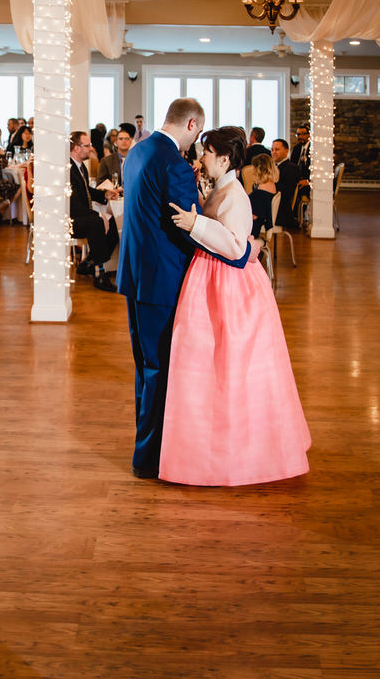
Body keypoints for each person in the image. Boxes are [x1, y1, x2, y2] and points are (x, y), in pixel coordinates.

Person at [163, 126, 310, 485]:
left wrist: (195, 222)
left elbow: (234, 247)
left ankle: (236, 451)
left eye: (207, 153)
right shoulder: (224, 188)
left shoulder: (236, 195)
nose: (201, 158)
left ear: (225, 158)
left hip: (228, 284)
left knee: (229, 361)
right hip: (210, 277)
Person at [116, 97, 207, 479]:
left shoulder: (136, 152)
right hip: (162, 280)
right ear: (190, 126)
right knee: (160, 368)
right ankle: (149, 458)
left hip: (135, 274)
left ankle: (147, 444)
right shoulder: (174, 164)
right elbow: (186, 226)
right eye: (198, 134)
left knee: (145, 366)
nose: (196, 142)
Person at [69, 131, 120, 288]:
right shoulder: (68, 169)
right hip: (70, 219)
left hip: (80, 215)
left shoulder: (80, 166)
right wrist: (99, 214)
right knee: (97, 222)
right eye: (87, 145)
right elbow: (73, 204)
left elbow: (87, 191)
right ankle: (100, 274)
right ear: (77, 148)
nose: (91, 148)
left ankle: (88, 262)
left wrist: (105, 194)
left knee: (113, 225)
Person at [271, 138, 301, 228]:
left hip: (281, 208)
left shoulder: (292, 168)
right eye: (272, 150)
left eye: (277, 149)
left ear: (286, 151)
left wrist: (269, 185)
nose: (273, 152)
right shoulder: (272, 167)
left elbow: (288, 191)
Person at [248, 153, 278, 237]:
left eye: (254, 168)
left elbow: (254, 216)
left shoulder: (261, 192)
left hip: (252, 230)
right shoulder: (272, 186)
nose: (253, 171)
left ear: (259, 170)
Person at [100, 123, 135, 187]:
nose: (124, 141)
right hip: (113, 195)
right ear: (115, 142)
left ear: (131, 142)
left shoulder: (137, 161)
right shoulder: (106, 161)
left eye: (127, 139)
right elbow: (100, 184)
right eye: (121, 139)